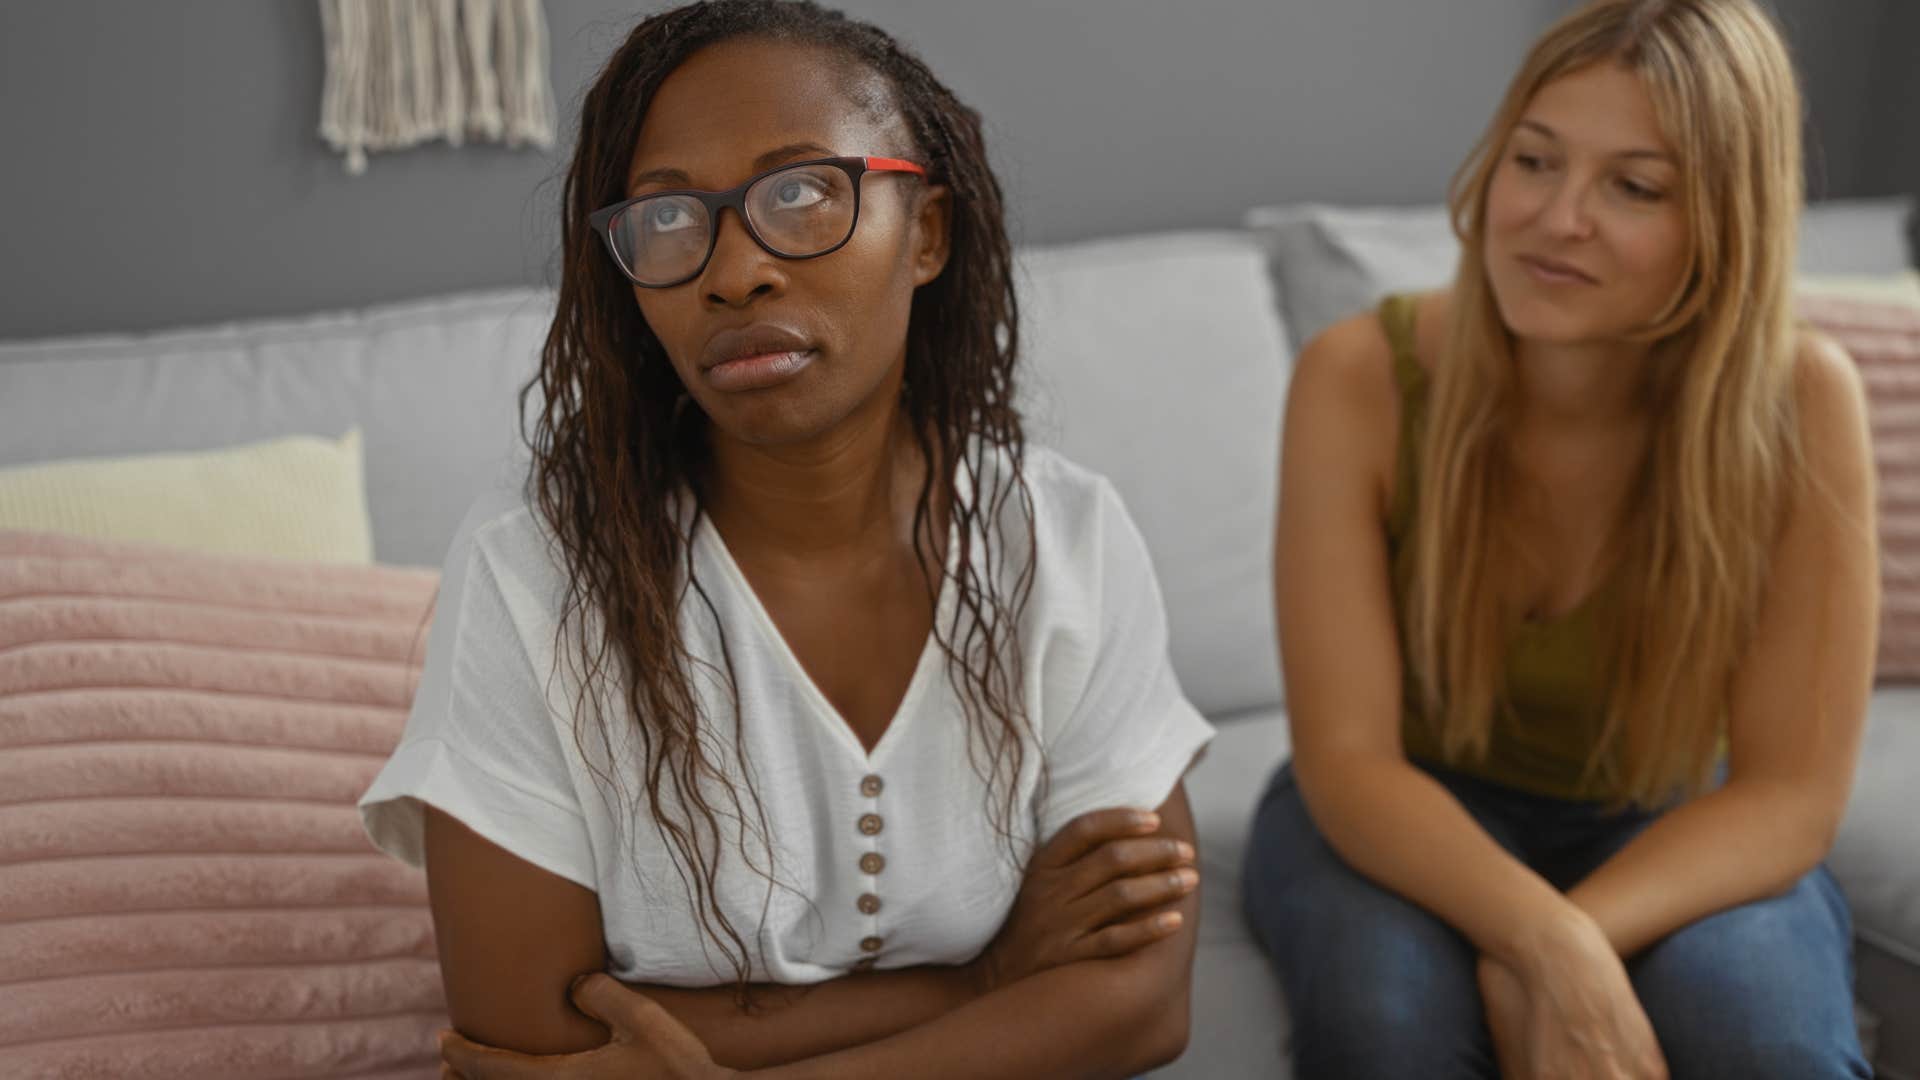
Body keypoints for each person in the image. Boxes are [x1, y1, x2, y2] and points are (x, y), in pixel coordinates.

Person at [357, 2, 1215, 1077]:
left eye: (803, 192)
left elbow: (1141, 1004)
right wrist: (987, 983)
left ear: (928, 235)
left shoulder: (1061, 539)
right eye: (668, 219)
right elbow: (526, 1038)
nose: (732, 272)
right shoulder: (536, 572)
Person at [1243, 1, 1879, 1077]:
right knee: (1386, 1032)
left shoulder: (1806, 400)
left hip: (1669, 818)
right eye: (1534, 161)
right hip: (1404, 803)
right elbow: (1349, 761)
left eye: (1633, 186)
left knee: (1770, 1044)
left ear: (1725, 221)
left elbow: (1788, 797)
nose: (1557, 218)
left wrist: (1562, 945)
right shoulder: (1358, 377)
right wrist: (1544, 944)